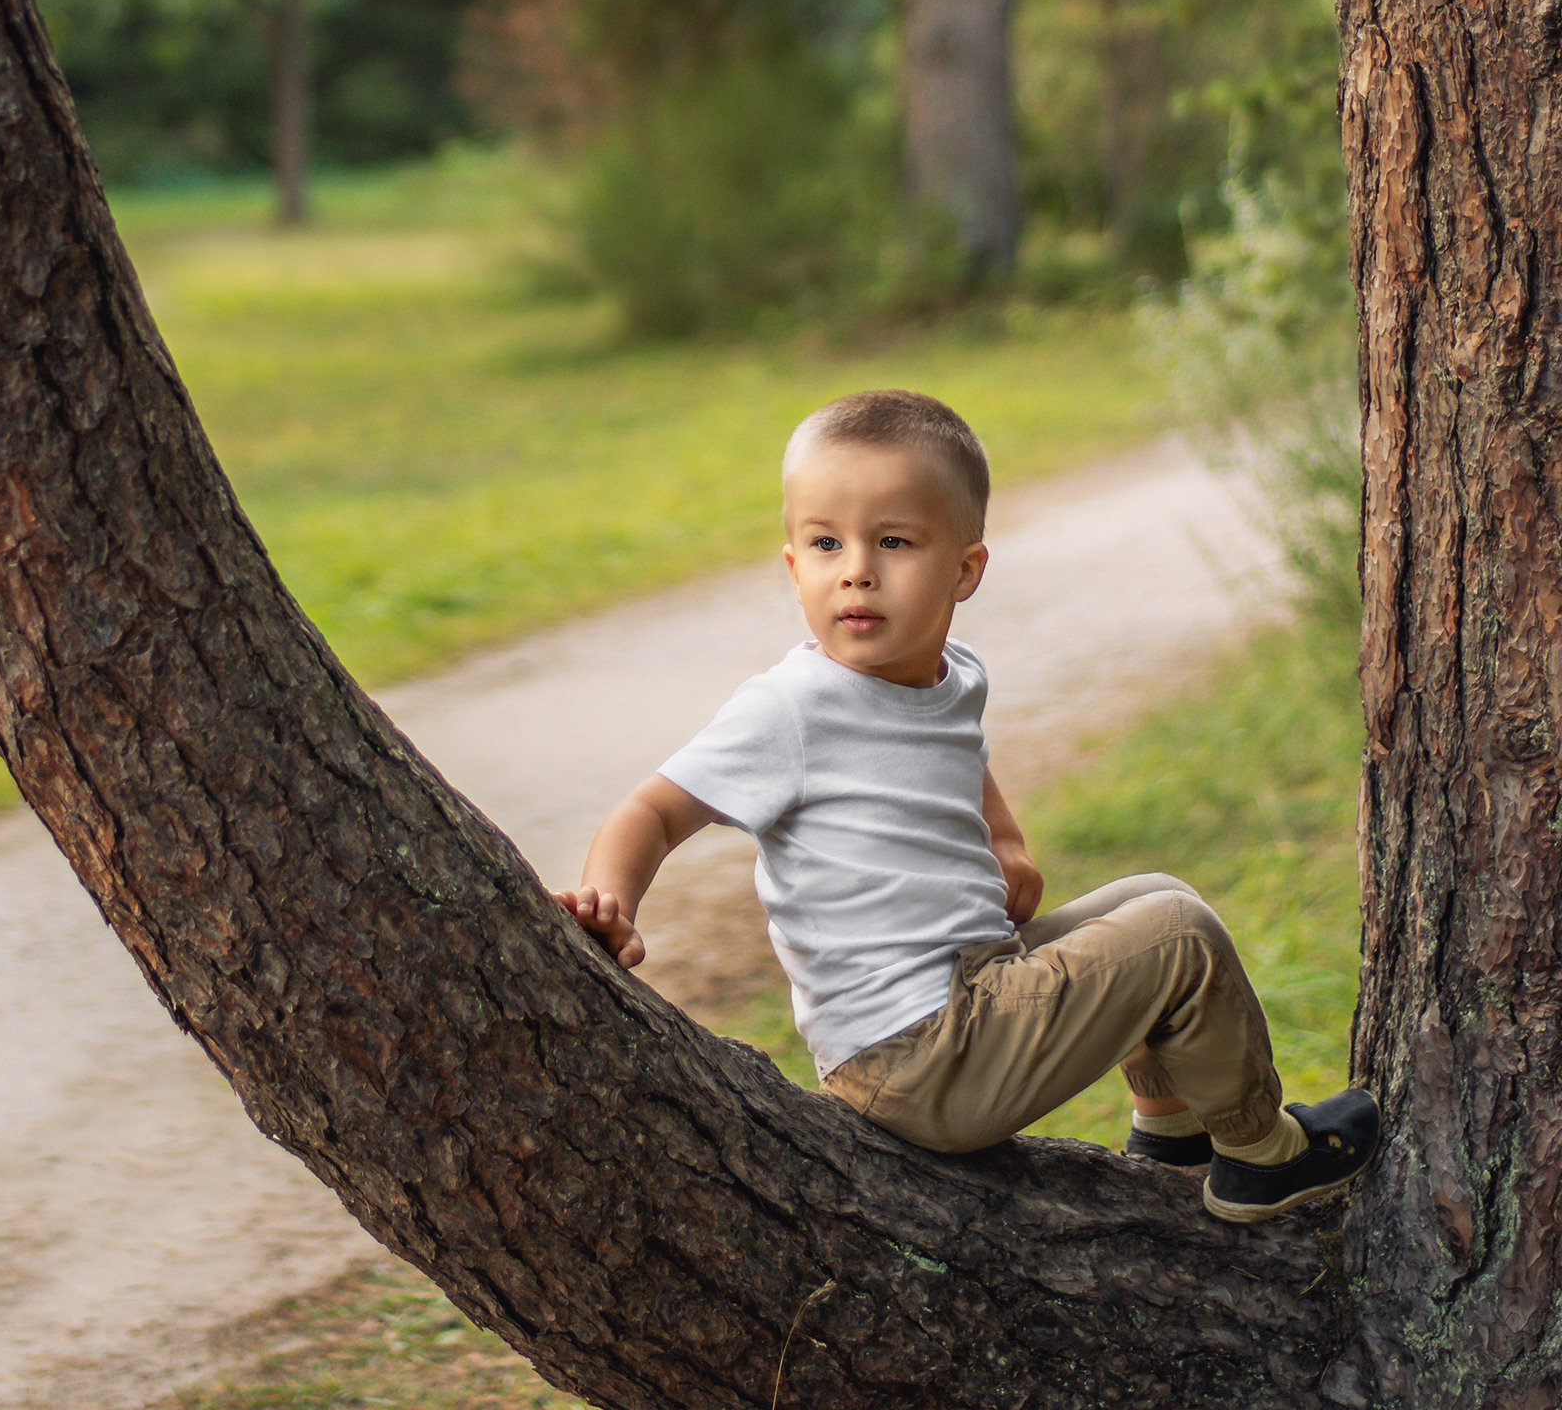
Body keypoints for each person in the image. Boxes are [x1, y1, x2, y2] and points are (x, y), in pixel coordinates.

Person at [554, 386, 1378, 1226]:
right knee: (1174, 935)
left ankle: (1169, 1135)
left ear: (965, 570)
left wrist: (1007, 841)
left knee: (1148, 895)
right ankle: (1260, 1156)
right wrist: (608, 903)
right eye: (826, 542)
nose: (857, 569)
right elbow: (652, 812)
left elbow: (959, 751)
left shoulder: (953, 672)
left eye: (894, 541)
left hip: (969, 987)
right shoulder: (792, 709)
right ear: (793, 566)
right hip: (915, 1052)